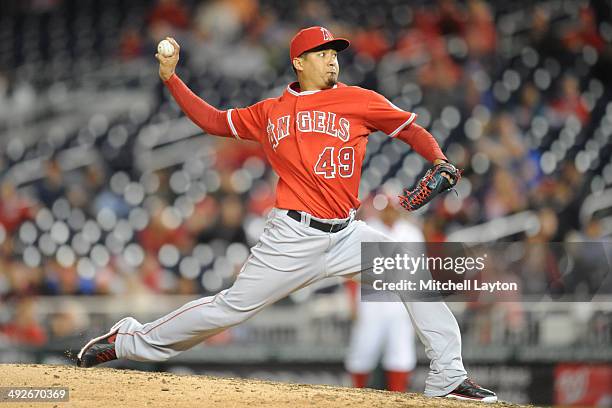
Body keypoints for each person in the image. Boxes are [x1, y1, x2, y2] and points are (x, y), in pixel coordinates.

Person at [77, 26, 497, 402]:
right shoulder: (269, 112)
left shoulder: (359, 100)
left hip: (349, 234)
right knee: (228, 309)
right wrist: (172, 79)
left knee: (408, 269)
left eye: (335, 51)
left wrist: (440, 160)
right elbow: (213, 121)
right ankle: (128, 341)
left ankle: (448, 376)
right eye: (322, 52)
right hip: (293, 237)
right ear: (299, 62)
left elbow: (411, 130)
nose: (332, 58)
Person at [344, 196, 419, 392]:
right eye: (385, 208)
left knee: (401, 354)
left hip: (400, 302)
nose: (389, 212)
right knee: (362, 351)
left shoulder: (411, 233)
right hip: (371, 301)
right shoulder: (367, 228)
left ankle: (398, 399)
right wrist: (352, 300)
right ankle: (355, 396)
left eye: (392, 208)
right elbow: (350, 268)